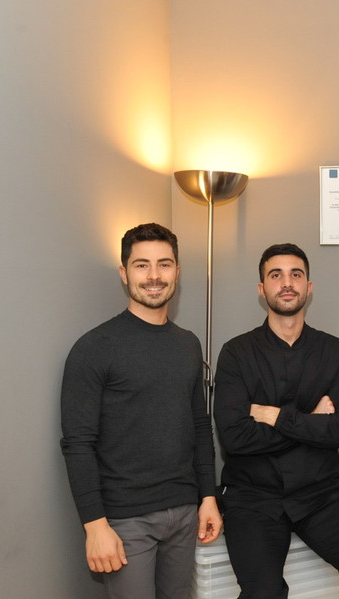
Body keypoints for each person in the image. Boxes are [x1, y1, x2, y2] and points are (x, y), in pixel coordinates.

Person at [213, 243, 339, 599]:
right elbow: (235, 437)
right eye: (276, 275)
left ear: (308, 286)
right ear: (262, 289)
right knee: (263, 593)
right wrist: (312, 422)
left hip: (321, 495)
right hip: (253, 499)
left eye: (295, 274)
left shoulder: (334, 351)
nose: (287, 283)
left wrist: (273, 416)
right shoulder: (236, 353)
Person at [60, 223, 222, 599]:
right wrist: (94, 525)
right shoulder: (94, 347)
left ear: (177, 272)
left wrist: (208, 497)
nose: (153, 276)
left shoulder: (188, 344)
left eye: (164, 264)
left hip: (184, 511)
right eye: (141, 265)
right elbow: (78, 443)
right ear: (124, 273)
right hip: (125, 518)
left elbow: (200, 426)